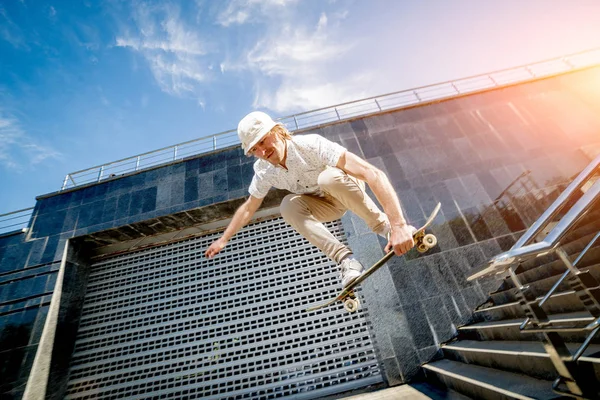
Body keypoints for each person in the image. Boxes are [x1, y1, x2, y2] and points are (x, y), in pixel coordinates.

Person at [205, 111, 415, 288]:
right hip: (325, 206)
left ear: (277, 131)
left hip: (344, 188)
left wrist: (398, 225)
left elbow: (372, 173)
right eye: (254, 150)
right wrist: (224, 239)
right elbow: (249, 207)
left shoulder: (311, 145)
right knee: (287, 205)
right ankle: (347, 261)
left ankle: (385, 228)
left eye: (263, 141)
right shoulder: (263, 170)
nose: (262, 152)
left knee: (328, 177)